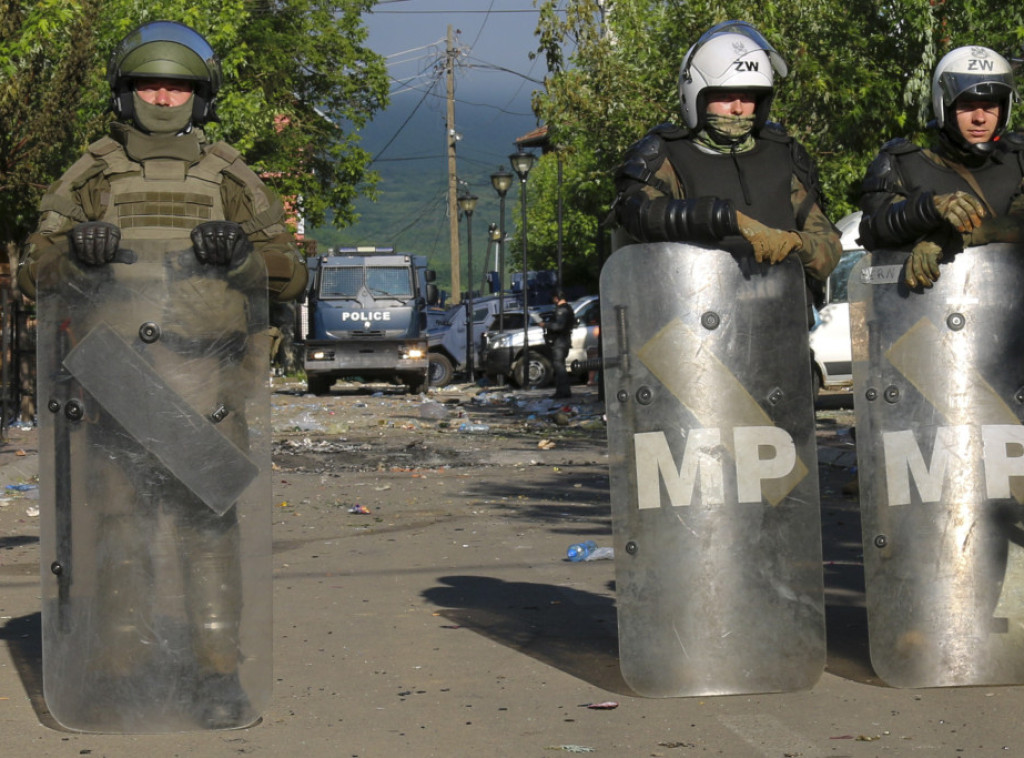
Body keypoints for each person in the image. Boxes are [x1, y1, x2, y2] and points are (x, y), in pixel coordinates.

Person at [18, 20, 307, 729]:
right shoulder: (91, 174)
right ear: (126, 93)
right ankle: (119, 673)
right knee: (118, 529)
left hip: (206, 380)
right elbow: (33, 271)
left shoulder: (230, 176)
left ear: (200, 97)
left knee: (208, 529)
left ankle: (219, 674)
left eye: (177, 86)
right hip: (113, 383)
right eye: (150, 84)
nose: (164, 97)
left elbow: (292, 274)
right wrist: (75, 254)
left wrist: (242, 255)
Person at [612, 20, 841, 311]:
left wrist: (796, 243)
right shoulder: (664, 156)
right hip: (698, 325)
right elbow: (638, 214)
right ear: (697, 95)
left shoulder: (784, 155)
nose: (737, 108)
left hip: (783, 324)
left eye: (748, 96)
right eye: (724, 96)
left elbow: (828, 248)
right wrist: (724, 217)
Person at [859, 45, 1024, 287]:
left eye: (990, 106)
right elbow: (873, 229)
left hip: (1010, 306)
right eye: (967, 105)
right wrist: (929, 208)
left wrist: (948, 238)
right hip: (922, 307)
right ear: (944, 106)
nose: (980, 118)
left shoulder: (1019, 160)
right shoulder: (903, 165)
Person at [545, 290, 575, 400]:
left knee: (559, 366)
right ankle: (561, 391)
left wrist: (546, 325)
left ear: (556, 298)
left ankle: (563, 391)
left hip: (560, 341)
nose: (553, 300)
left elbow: (558, 326)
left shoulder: (562, 310)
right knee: (559, 366)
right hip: (563, 341)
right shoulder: (568, 308)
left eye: (553, 298)